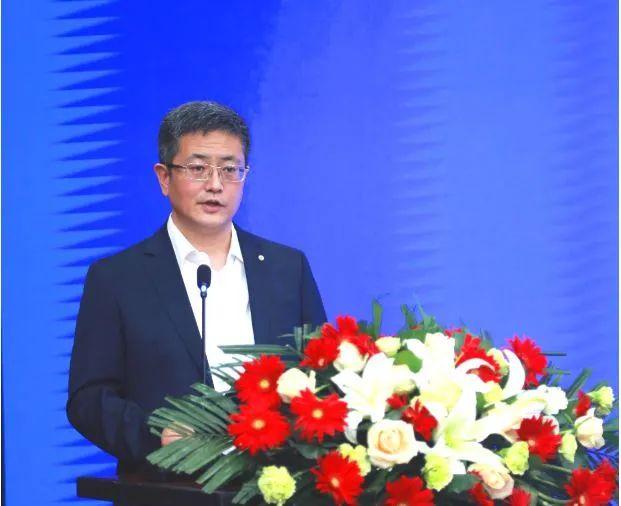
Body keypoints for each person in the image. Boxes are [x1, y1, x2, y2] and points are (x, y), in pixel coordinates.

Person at [66, 101, 327, 477]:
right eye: (198, 168)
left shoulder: (288, 268)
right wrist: (156, 436)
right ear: (164, 177)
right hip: (166, 487)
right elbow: (89, 398)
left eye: (230, 169)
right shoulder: (117, 278)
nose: (215, 185)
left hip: (276, 485)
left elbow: (320, 372)